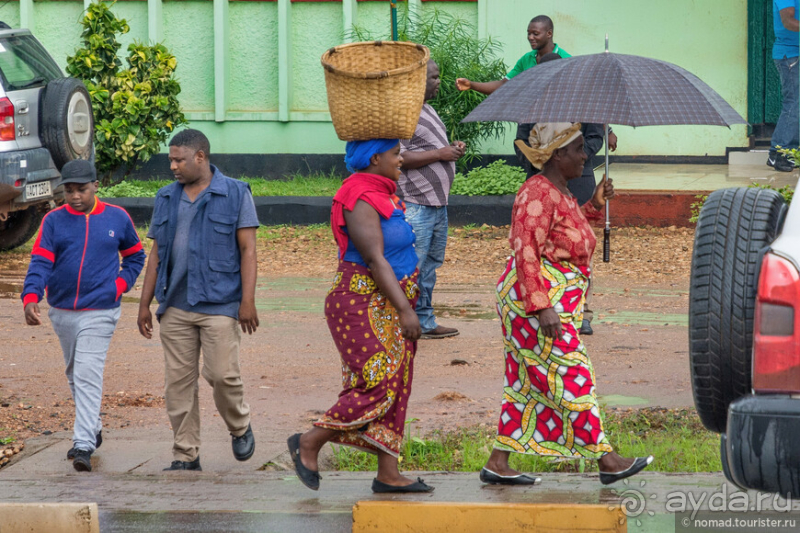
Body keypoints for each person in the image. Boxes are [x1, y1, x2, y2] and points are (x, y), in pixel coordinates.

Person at [480, 123, 652, 486]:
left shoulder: (559, 191)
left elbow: (567, 233)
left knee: (525, 383)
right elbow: (525, 249)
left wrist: (595, 206)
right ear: (557, 155)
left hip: (551, 300)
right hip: (535, 303)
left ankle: (498, 462)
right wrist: (541, 306)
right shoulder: (536, 193)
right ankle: (607, 460)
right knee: (573, 373)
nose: (585, 156)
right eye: (577, 149)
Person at [287, 139, 433, 494]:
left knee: (398, 386)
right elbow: (374, 259)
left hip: (390, 300)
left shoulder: (383, 192)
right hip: (361, 301)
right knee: (378, 382)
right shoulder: (358, 196)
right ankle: (310, 442)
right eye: (396, 154)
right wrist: (404, 310)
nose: (402, 159)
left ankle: (388, 473)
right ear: (375, 158)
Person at [137, 129, 259, 471]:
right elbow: (156, 253)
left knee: (223, 375)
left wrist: (247, 301)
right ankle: (186, 454)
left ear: (200, 157)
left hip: (220, 302)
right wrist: (144, 303)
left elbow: (248, 250)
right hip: (175, 304)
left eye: (179, 159)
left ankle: (240, 426)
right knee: (178, 386)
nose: (173, 166)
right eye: (171, 160)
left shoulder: (235, 193)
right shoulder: (166, 197)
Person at [21, 159, 145, 472]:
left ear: (96, 187)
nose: (75, 196)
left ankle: (83, 444)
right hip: (61, 310)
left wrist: (118, 286)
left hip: (101, 310)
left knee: (88, 373)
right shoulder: (53, 220)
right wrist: (31, 296)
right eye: (69, 191)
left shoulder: (117, 217)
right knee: (75, 373)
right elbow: (40, 262)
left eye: (82, 190)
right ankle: (93, 427)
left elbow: (135, 256)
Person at [399, 59, 465, 340]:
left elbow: (433, 148)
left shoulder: (427, 109)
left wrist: (452, 149)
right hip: (416, 203)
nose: (439, 82)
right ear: (417, 80)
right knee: (412, 266)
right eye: (434, 78)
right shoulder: (402, 114)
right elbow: (399, 157)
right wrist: (441, 154)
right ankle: (405, 321)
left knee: (429, 267)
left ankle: (424, 321)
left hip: (437, 204)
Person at [768, 0, 799, 172]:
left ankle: (782, 153)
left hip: (795, 53)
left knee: (795, 104)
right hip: (791, 55)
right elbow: (788, 22)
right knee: (793, 104)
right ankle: (781, 153)